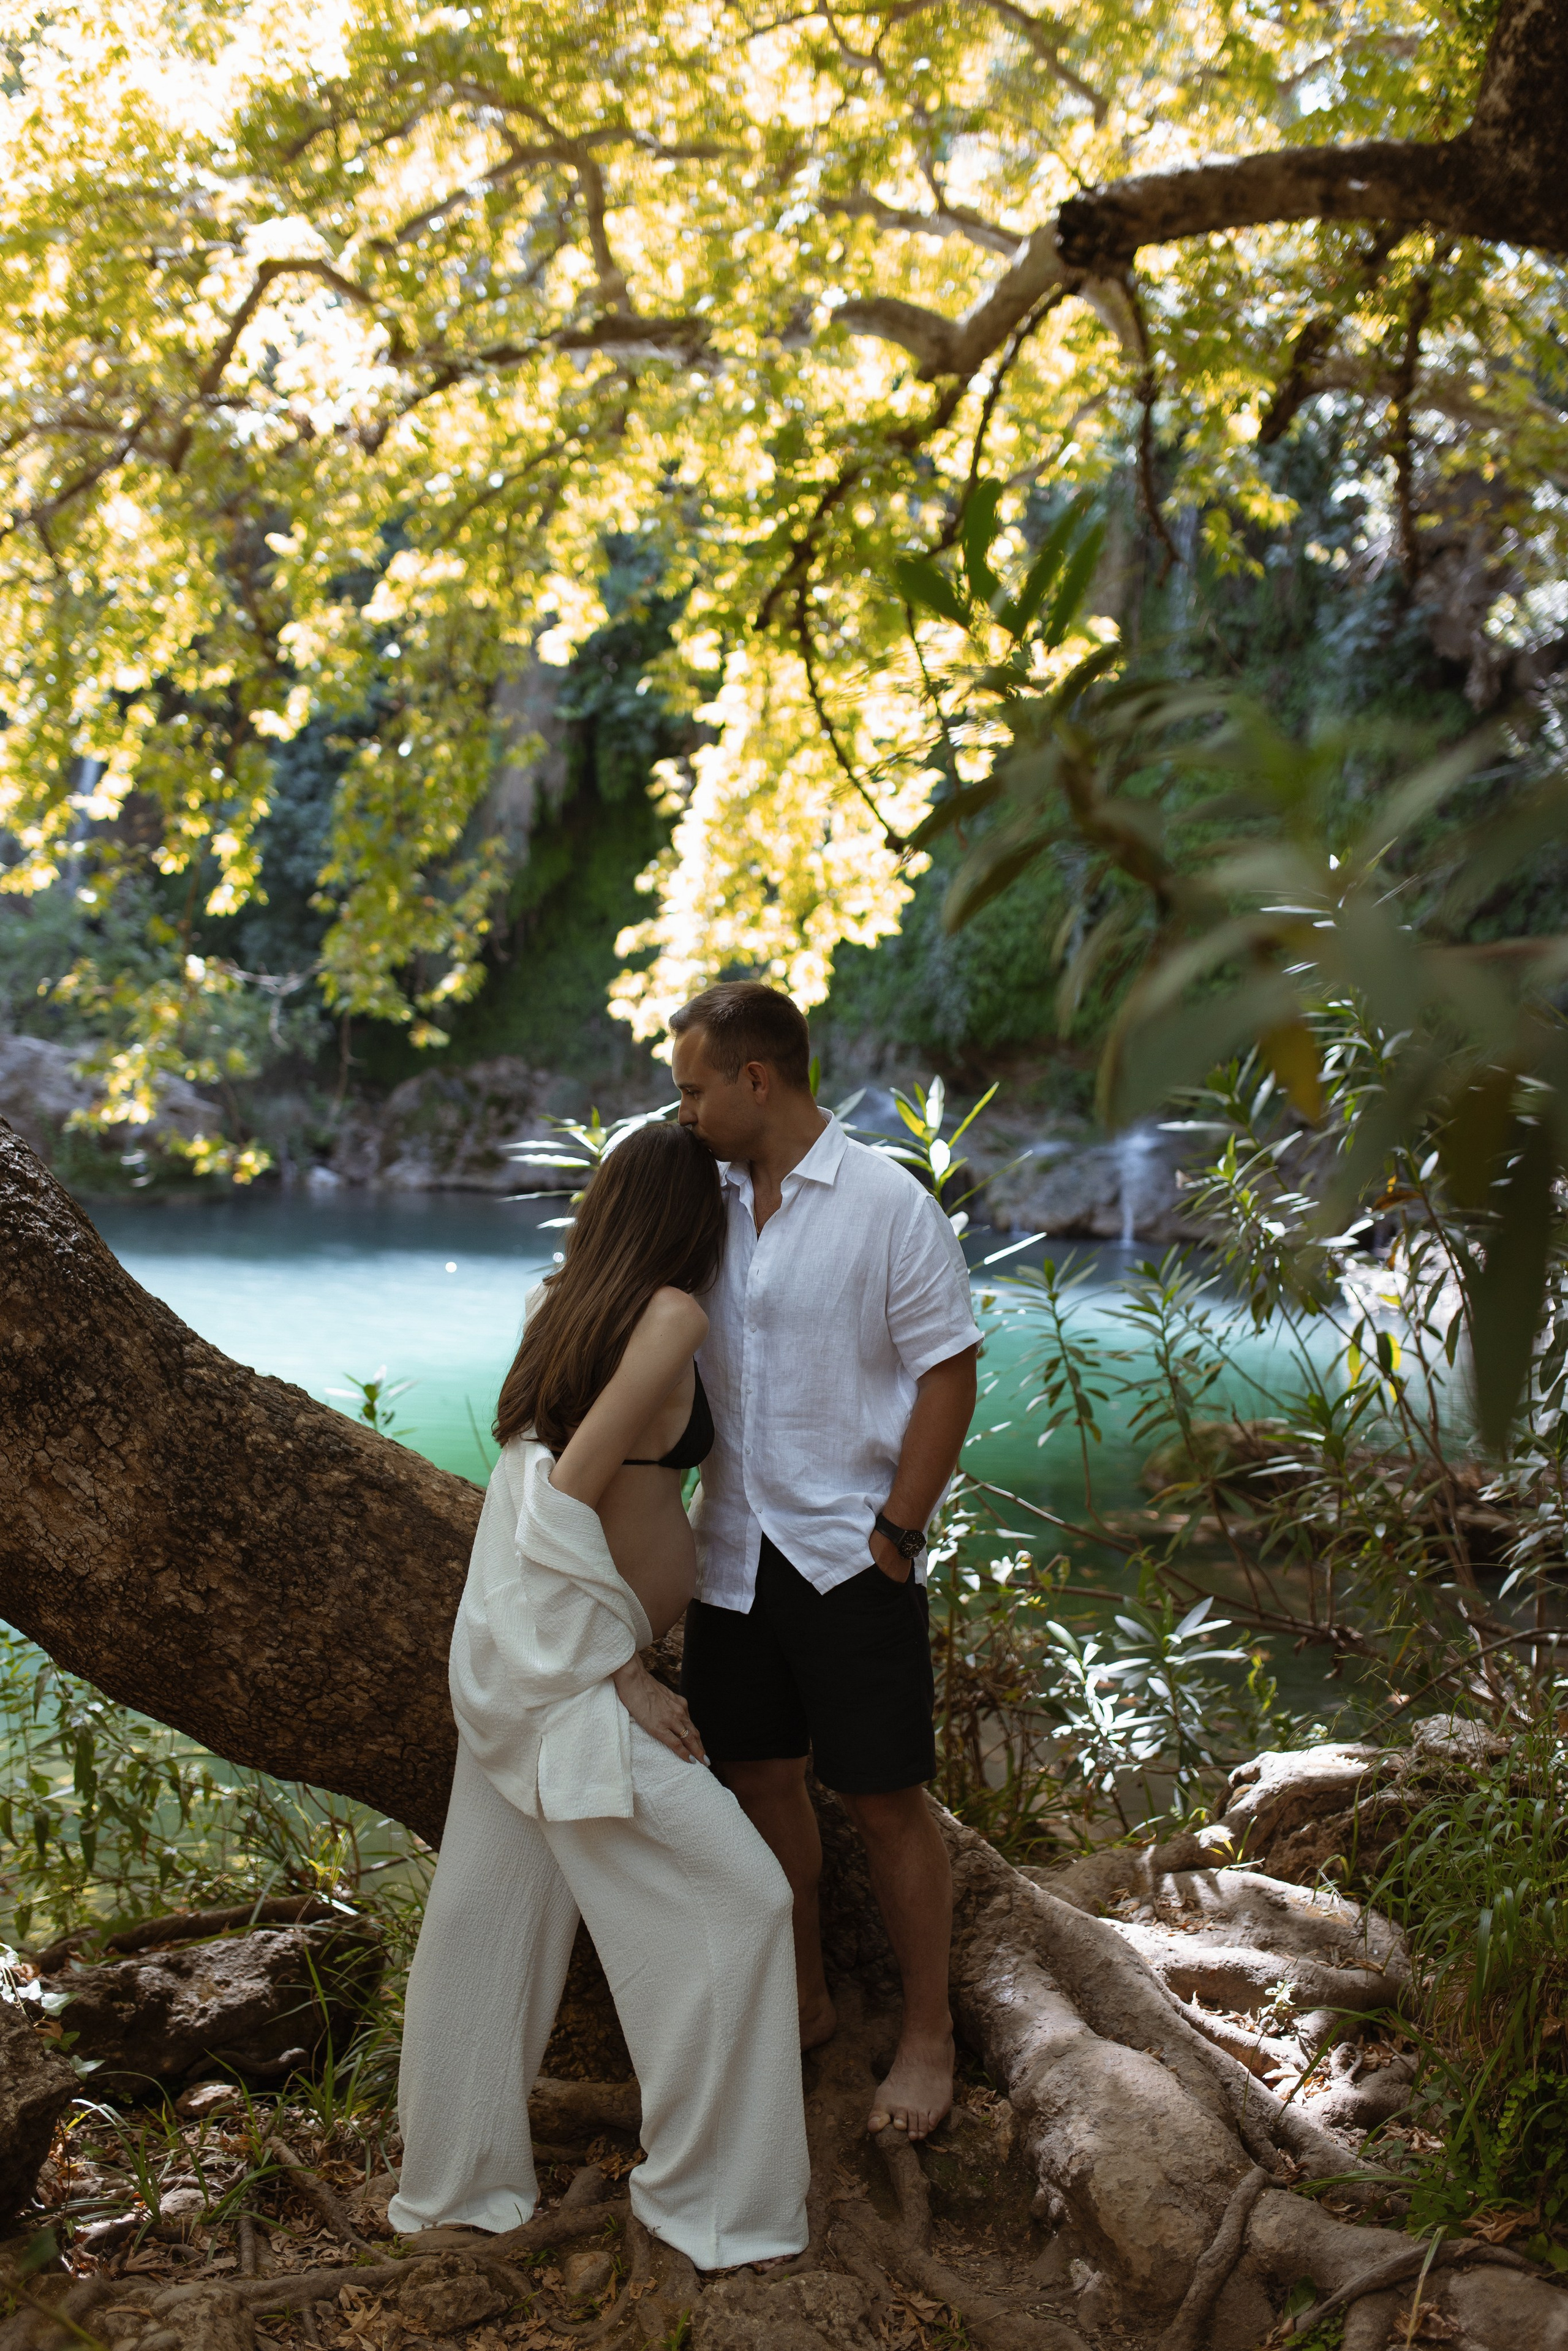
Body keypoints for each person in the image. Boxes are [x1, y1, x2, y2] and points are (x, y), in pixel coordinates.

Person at [388, 1120, 809, 2271]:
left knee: (486, 1922)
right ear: (687, 1216)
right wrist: (618, 1666)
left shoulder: (558, 1301)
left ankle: (457, 2185)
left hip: (519, 1654)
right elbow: (562, 1487)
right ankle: (710, 2200)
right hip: (571, 1673)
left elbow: (529, 1471)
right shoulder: (671, 1315)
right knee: (746, 1899)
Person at [671, 983, 981, 2142]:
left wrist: (898, 1534)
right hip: (728, 1555)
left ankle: (928, 2033)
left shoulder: (889, 1206)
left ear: (757, 1079)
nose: (684, 1111)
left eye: (694, 1089)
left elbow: (948, 1370)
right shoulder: (696, 1199)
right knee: (757, 1779)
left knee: (886, 1802)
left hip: (849, 1556)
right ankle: (800, 2001)